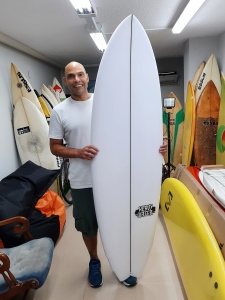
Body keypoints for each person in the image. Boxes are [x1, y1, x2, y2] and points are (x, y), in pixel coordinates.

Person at [49, 61, 167, 288]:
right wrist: (78, 152)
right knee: (88, 225)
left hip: (115, 178)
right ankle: (94, 261)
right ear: (65, 81)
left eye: (80, 74)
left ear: (87, 76)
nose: (77, 80)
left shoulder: (106, 103)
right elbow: (54, 146)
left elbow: (131, 131)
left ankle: (123, 263)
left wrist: (156, 144)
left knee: (120, 221)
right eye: (71, 76)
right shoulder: (59, 111)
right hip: (82, 180)